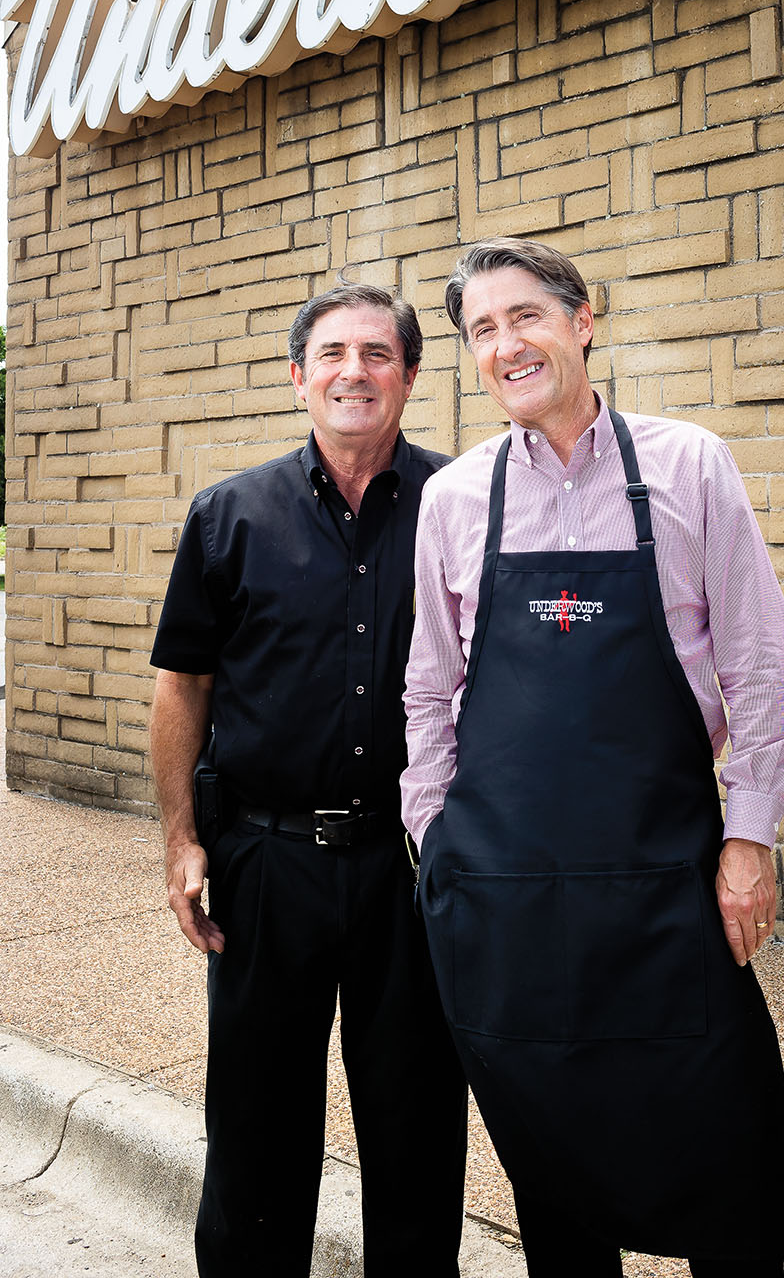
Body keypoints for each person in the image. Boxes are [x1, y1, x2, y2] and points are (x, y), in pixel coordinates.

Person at [402, 238, 784, 1278]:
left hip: (666, 876)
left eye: (525, 316)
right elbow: (428, 689)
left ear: (583, 323)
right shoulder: (456, 499)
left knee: (728, 1152)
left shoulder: (687, 463)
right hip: (507, 891)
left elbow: (760, 663)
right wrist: (434, 839)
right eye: (482, 331)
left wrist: (749, 838)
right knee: (556, 1169)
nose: (507, 344)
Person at [149, 283, 468, 1278]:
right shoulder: (228, 517)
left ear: (411, 376)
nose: (354, 371)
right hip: (266, 861)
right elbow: (181, 691)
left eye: (379, 353)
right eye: (332, 353)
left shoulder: (464, 506)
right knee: (254, 1131)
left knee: (417, 1134)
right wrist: (182, 842)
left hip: (411, 872)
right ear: (299, 377)